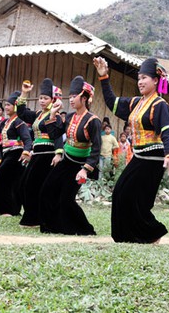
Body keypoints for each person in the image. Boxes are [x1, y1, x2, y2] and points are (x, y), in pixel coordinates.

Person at [93, 56, 169, 244]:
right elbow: (112, 102)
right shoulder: (135, 103)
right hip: (139, 156)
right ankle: (129, 236)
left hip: (154, 157)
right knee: (121, 192)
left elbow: (167, 131)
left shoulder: (160, 105)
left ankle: (151, 233)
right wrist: (103, 77)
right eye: (138, 78)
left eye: (144, 78)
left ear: (156, 80)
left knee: (135, 197)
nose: (140, 82)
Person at [39, 75, 101, 235]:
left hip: (80, 166)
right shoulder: (70, 117)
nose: (71, 100)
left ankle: (86, 230)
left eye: (75, 96)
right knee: (47, 189)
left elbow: (96, 148)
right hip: (66, 161)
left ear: (85, 98)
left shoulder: (93, 121)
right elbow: (54, 134)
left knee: (66, 200)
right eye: (70, 97)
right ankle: (52, 226)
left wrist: (86, 170)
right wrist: (53, 115)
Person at [16, 78, 64, 227]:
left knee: (33, 186)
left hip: (47, 155)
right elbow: (22, 112)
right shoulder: (38, 114)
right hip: (37, 155)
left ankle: (35, 219)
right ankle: (33, 216)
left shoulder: (54, 115)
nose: (42, 101)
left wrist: (58, 153)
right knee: (24, 184)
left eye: (46, 98)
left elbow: (56, 135)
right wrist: (24, 92)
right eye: (40, 98)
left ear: (53, 99)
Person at [0, 90, 33, 216]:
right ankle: (9, 210)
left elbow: (27, 139)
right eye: (5, 105)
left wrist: (26, 151)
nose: (6, 107)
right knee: (10, 184)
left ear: (15, 106)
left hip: (16, 155)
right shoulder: (4, 122)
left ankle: (6, 209)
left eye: (8, 105)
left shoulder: (19, 122)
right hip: (7, 155)